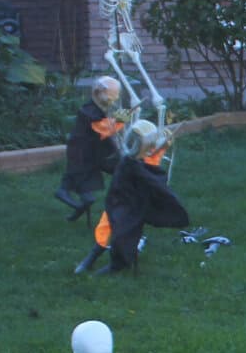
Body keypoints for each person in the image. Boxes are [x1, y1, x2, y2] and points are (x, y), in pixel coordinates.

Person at [76, 118, 188, 275]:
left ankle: (117, 264)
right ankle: (94, 257)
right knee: (106, 226)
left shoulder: (143, 159)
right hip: (119, 201)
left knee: (124, 233)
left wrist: (161, 147)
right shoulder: (128, 163)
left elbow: (153, 174)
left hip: (134, 204)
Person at [55, 77, 124, 220]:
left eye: (116, 95)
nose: (115, 98)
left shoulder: (98, 109)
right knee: (82, 186)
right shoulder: (88, 111)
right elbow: (101, 128)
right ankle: (75, 201)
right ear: (98, 93)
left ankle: (79, 206)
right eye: (112, 95)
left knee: (120, 169)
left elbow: (104, 129)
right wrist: (118, 122)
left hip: (94, 152)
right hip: (82, 153)